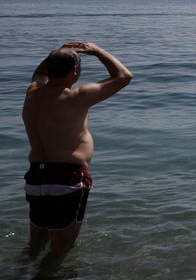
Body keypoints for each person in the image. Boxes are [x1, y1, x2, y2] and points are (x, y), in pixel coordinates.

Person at [22, 41, 134, 258]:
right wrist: (97, 51)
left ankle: (18, 272)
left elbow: (39, 73)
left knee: (35, 244)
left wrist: (58, 52)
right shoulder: (76, 96)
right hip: (66, 180)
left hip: (36, 178)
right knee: (61, 250)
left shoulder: (32, 93)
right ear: (74, 72)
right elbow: (124, 76)